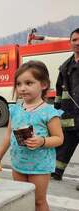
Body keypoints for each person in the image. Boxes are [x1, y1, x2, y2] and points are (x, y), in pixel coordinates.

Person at [0, 61, 64, 211]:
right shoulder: (15, 109)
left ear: (44, 84)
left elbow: (59, 138)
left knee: (38, 201)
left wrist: (42, 141)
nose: (22, 88)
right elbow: (8, 134)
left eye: (29, 83)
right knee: (22, 199)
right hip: (18, 164)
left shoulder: (49, 112)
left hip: (40, 166)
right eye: (19, 84)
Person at [51, 28, 79, 191]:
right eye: (74, 40)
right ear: (70, 43)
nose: (77, 43)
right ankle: (56, 171)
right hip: (69, 114)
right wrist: (56, 110)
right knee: (65, 144)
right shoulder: (65, 67)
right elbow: (59, 91)